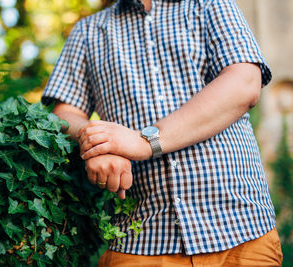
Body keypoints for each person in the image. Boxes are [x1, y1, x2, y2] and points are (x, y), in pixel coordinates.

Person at [41, 0, 283, 265]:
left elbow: (244, 83)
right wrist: (98, 142)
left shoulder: (210, 4)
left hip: (241, 233)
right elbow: (63, 115)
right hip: (140, 241)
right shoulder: (87, 31)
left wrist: (144, 142)